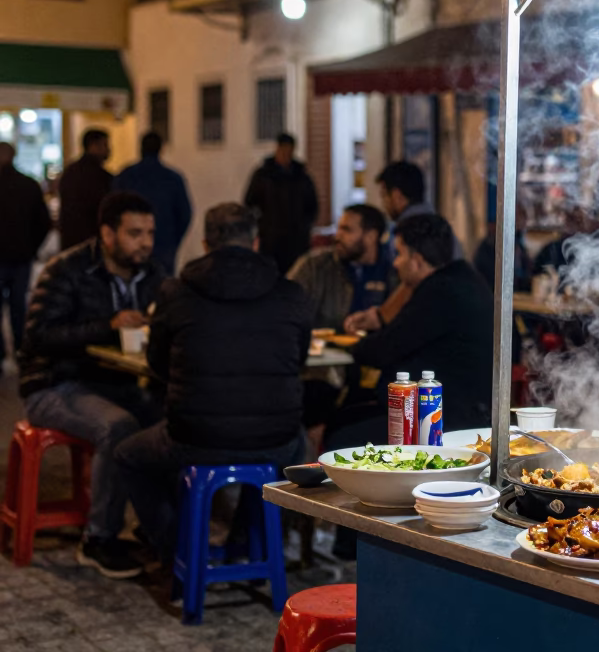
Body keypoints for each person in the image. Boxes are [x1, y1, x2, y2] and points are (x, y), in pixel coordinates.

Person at [115, 202, 309, 562]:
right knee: (296, 448)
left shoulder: (175, 292)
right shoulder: (290, 293)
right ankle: (246, 545)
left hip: (195, 438)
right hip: (276, 438)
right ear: (255, 242)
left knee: (128, 455)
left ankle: (181, 550)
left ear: (205, 244)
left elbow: (158, 363)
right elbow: (298, 360)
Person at [19, 192, 166, 579]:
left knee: (173, 421)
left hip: (116, 382)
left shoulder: (154, 273)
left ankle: (157, 529)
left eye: (150, 232)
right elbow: (37, 337)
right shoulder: (66, 269)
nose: (146, 243)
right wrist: (108, 326)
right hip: (54, 383)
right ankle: (98, 539)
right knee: (118, 427)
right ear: (108, 233)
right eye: (135, 233)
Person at [335, 213, 494, 445]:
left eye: (399, 254)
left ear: (417, 260)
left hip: (446, 420)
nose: (395, 263)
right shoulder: (465, 278)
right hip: (463, 409)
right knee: (347, 419)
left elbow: (386, 348)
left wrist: (351, 345)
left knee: (342, 437)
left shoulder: (440, 291)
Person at [342, 161, 460, 333]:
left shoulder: (407, 233)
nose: (397, 262)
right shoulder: (440, 227)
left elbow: (408, 285)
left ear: (397, 196)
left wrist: (381, 318)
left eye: (384, 196)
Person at [289, 204, 393, 331]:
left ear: (371, 236)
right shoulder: (314, 266)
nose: (337, 236)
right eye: (338, 228)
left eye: (347, 230)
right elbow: (286, 307)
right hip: (325, 347)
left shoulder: (392, 270)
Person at [0, 142, 52, 371]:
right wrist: (32, 247)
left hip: (11, 255)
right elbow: (43, 222)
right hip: (22, 255)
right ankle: (22, 350)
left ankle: (1, 353)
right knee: (18, 305)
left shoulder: (28, 185)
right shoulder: (28, 185)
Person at [113, 131, 193, 275]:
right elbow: (185, 214)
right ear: (161, 149)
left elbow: (113, 209)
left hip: (130, 244)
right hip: (164, 245)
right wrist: (174, 240)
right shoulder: (173, 178)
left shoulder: (125, 176)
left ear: (140, 148)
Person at [244, 132, 318, 275]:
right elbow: (250, 203)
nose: (286, 154)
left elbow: (312, 205)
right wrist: (262, 225)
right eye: (283, 150)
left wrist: (304, 227)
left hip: (296, 240)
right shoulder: (263, 175)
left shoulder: (301, 176)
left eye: (289, 150)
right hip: (271, 240)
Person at [59, 128, 113, 250]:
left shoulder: (70, 173)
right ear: (93, 146)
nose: (109, 150)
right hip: (94, 243)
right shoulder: (101, 176)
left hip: (70, 243)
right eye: (105, 145)